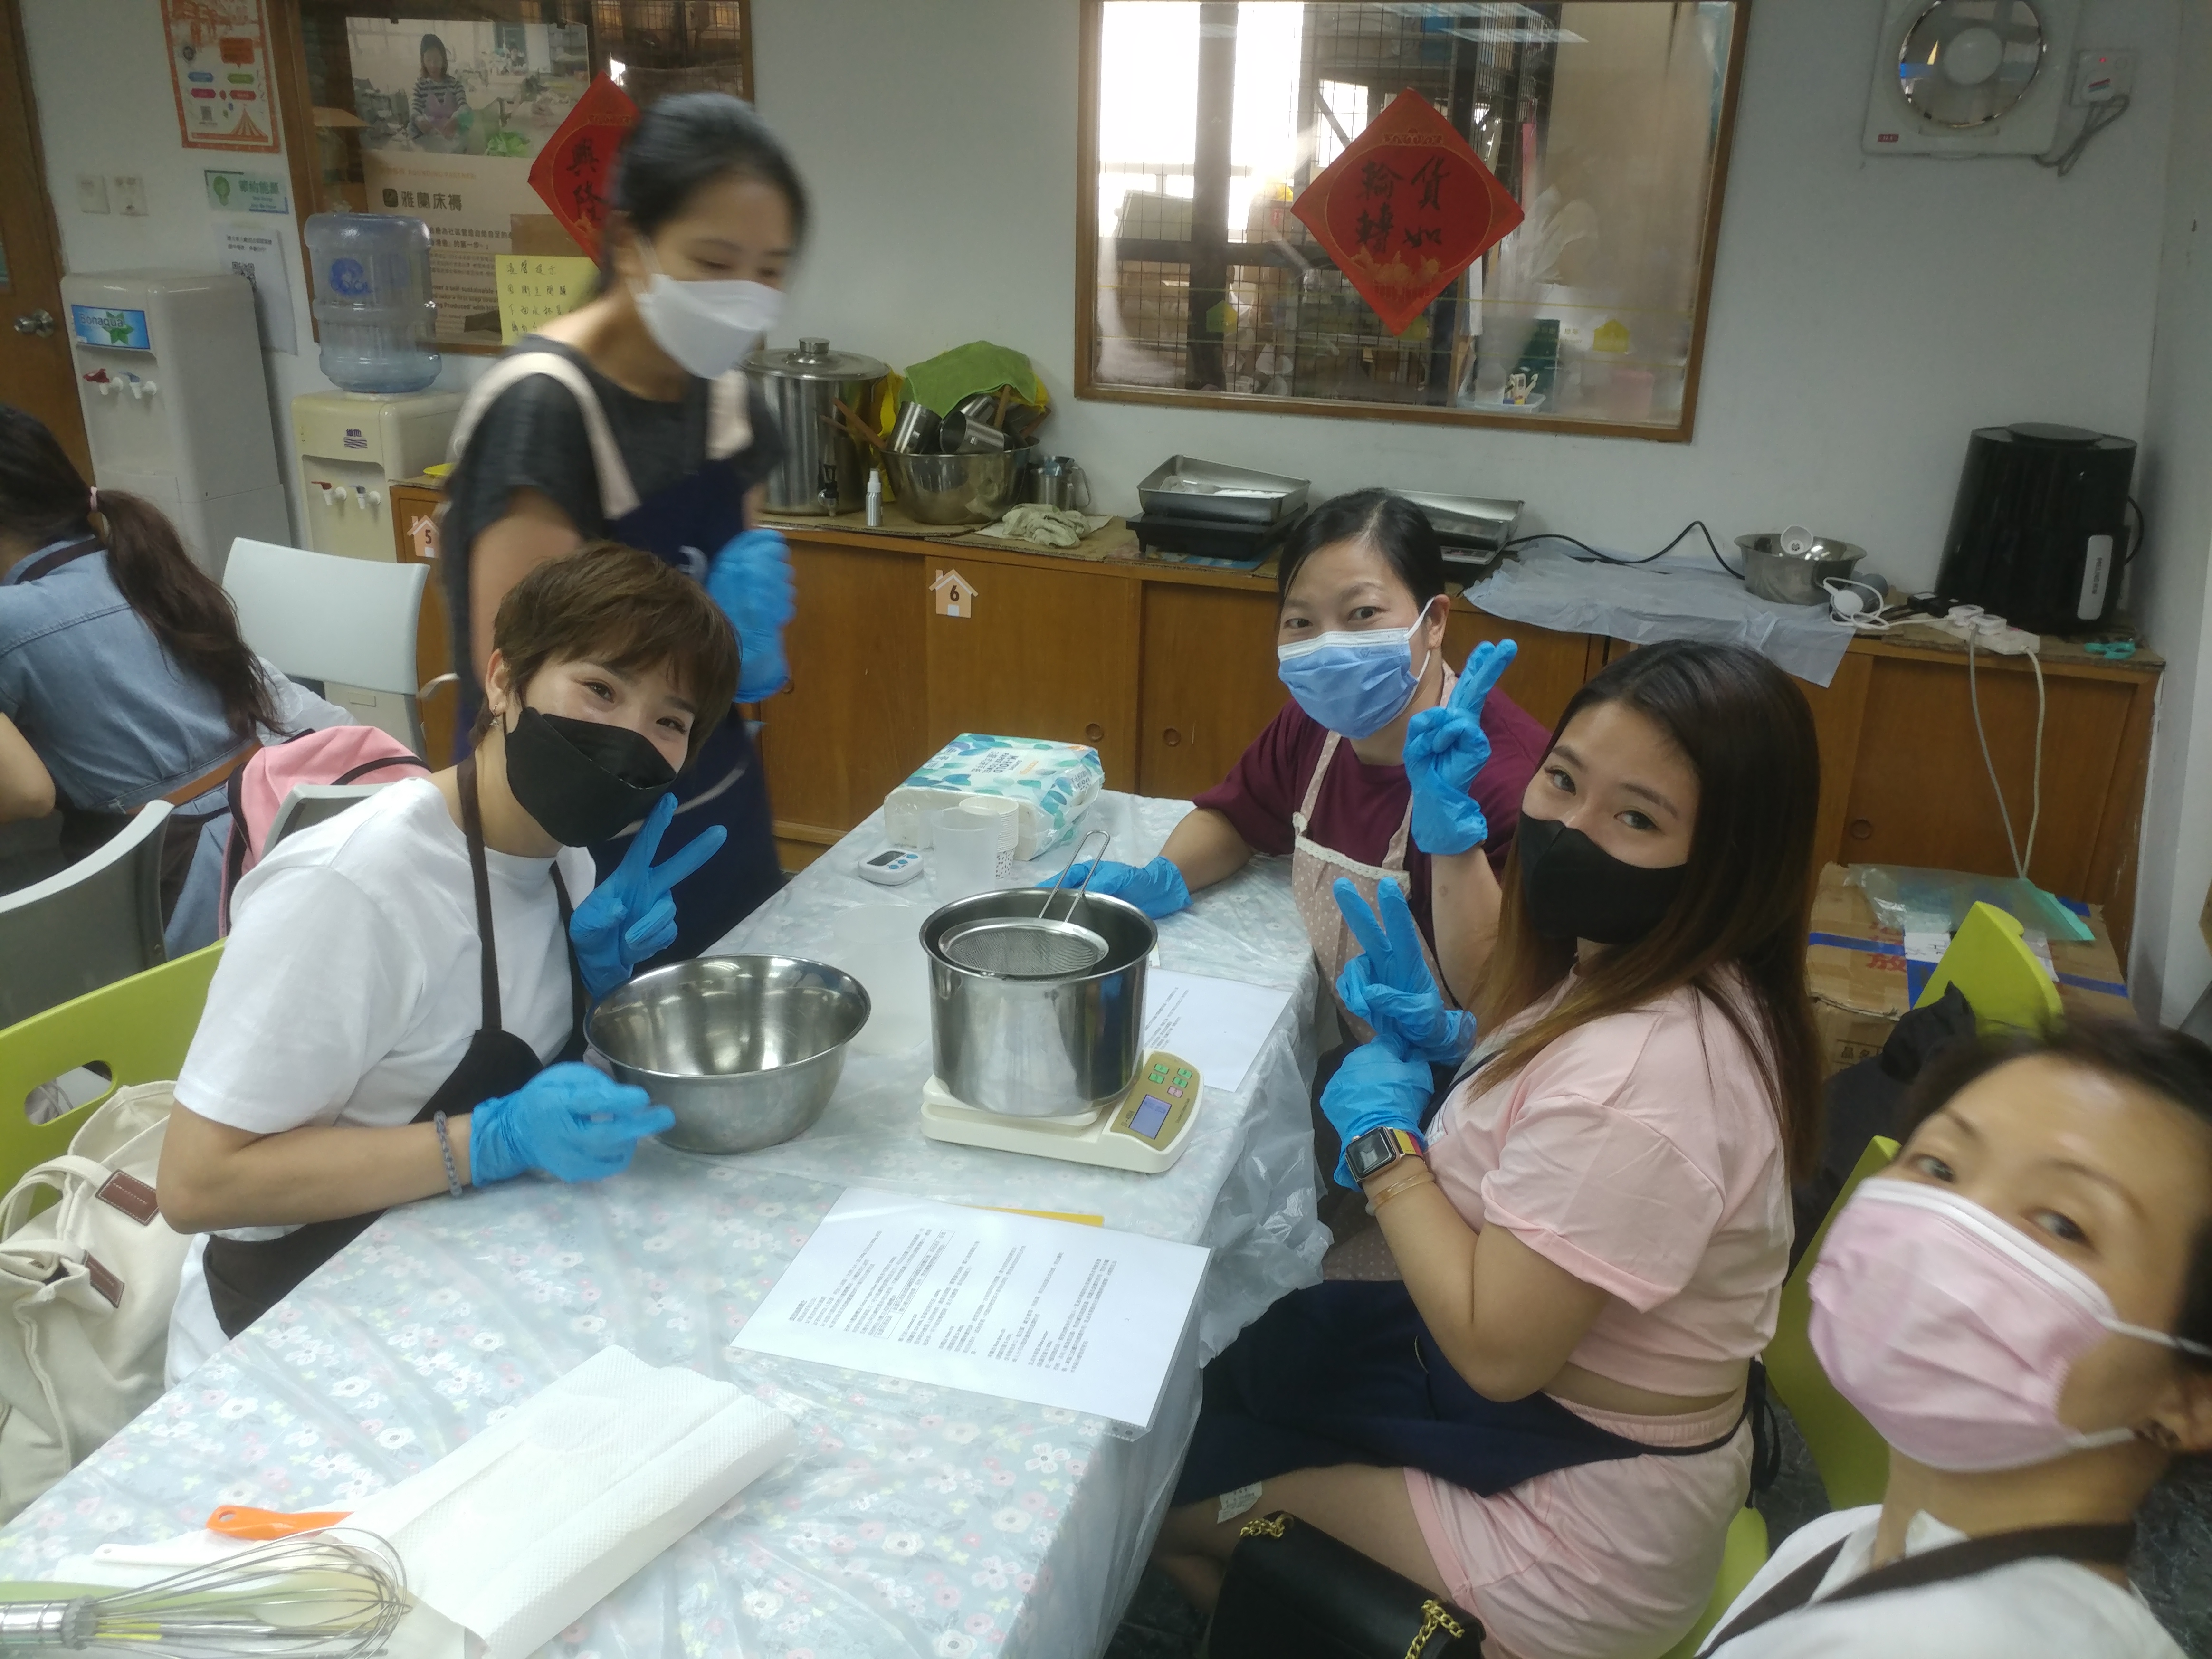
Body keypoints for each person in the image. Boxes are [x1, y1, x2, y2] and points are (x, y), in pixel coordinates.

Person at [1154, 640, 1825, 1659]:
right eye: (1563, 780)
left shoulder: (1643, 1083)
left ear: (1726, 860)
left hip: (1572, 1516)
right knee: (1234, 1384)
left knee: (1170, 1509)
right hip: (1547, 1409)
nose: (1570, 829)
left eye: (1637, 818)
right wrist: (1453, 854)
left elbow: (1496, 1350)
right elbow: (1510, 996)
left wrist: (1386, 1146)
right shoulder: (1652, 958)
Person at [156, 542, 733, 1382]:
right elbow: (197, 1184)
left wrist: (604, 1001)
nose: (628, 737)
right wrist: (487, 1143)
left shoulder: (563, 862)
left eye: (669, 722)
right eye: (601, 689)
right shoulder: (354, 887)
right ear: (503, 681)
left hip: (448, 1281)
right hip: (286, 1334)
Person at [1699, 1020, 2212, 1658]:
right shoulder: (1851, 1539)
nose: (1946, 1230)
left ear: (2191, 1398)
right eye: (1939, 1167)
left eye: (2063, 1223)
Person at [442, 92, 803, 960]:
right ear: (634, 245)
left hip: (714, 821)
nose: (745, 297)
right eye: (714, 261)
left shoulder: (729, 405)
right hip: (573, 839)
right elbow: (523, 689)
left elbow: (731, 668)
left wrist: (745, 652)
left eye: (770, 270)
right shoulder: (545, 412)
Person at [1066, 491, 1547, 1022]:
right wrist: (1162, 877)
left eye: (1363, 613)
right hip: (1352, 1035)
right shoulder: (1314, 724)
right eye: (1300, 622)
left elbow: (1512, 998)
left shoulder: (1507, 779)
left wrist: (1444, 1052)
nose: (1329, 648)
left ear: (1434, 620)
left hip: (1471, 1060)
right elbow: (1240, 818)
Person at [0, 405, 338, 951]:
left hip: (173, 886)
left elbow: (27, 794)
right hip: (278, 836)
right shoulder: (136, 564)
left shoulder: (12, 617)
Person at [405, 34, 470, 146]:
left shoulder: (455, 85)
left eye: (437, 60)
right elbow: (414, 107)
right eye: (428, 60)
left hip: (453, 142)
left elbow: (464, 106)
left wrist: (457, 118)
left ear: (444, 60)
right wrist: (418, 119)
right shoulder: (420, 86)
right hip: (429, 143)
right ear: (423, 60)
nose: (433, 65)